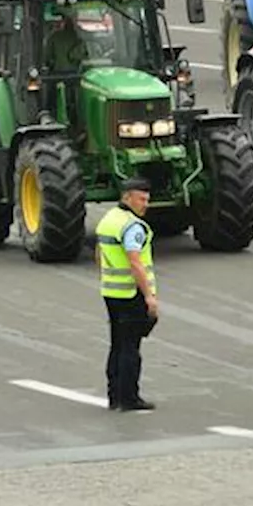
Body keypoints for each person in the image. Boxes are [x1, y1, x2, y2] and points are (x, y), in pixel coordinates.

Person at [96, 176, 158, 412]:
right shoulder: (132, 227)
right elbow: (136, 263)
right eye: (141, 199)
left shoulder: (109, 220)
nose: (145, 204)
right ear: (127, 197)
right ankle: (129, 398)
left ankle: (114, 396)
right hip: (131, 294)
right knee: (131, 347)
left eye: (147, 199)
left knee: (117, 344)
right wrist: (149, 296)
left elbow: (99, 253)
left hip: (111, 292)